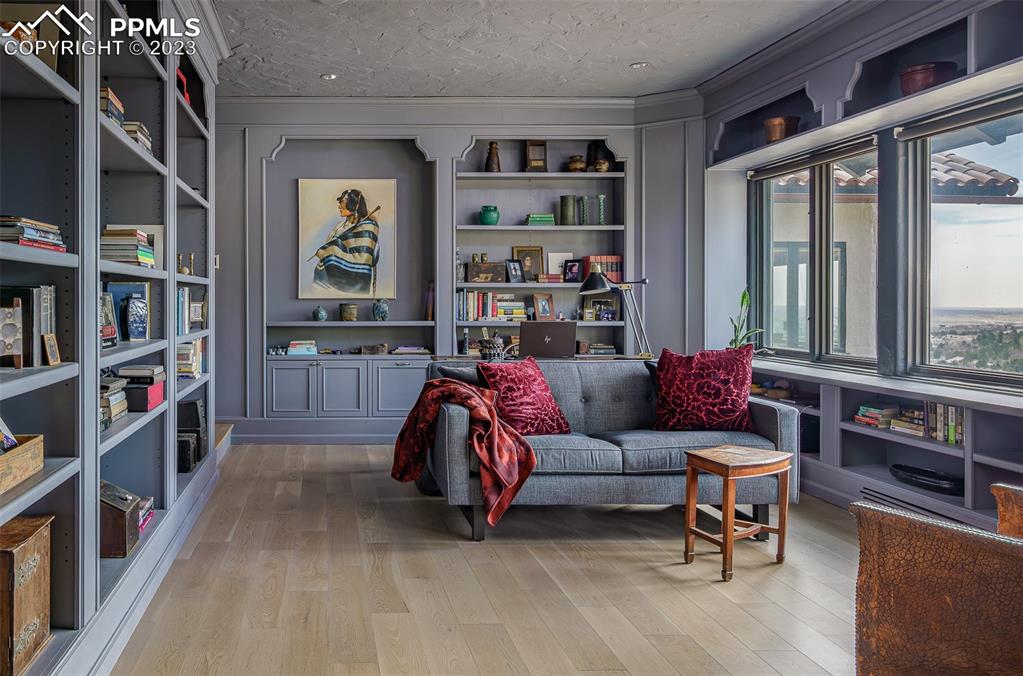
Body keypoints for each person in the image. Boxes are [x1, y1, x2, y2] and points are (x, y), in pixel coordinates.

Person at [310, 189, 380, 295]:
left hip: (356, 287)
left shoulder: (368, 229)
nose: (339, 206)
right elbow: (327, 249)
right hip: (326, 281)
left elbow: (370, 258)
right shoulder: (339, 227)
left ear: (353, 205)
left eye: (342, 203)